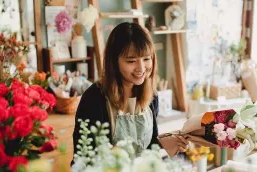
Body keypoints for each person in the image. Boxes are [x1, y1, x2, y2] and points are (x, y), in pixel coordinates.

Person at [72, 22, 188, 163]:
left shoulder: (152, 96)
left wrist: (166, 142)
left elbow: (146, 146)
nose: (141, 68)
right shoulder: (94, 99)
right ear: (114, 62)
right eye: (131, 61)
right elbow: (84, 158)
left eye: (146, 59)